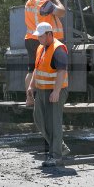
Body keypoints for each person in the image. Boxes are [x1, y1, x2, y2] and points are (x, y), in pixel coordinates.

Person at [26, 22, 70, 167]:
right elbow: (37, 69)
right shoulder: (40, 48)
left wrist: (56, 91)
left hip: (55, 90)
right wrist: (31, 85)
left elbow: (62, 72)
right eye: (38, 36)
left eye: (42, 36)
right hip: (42, 90)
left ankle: (56, 156)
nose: (39, 39)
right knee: (39, 119)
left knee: (54, 122)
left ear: (50, 34)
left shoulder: (58, 49)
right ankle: (60, 147)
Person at [24, 0, 66, 107]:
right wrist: (57, 0)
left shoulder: (29, 2)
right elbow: (62, 12)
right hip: (42, 39)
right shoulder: (43, 2)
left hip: (30, 38)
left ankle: (29, 99)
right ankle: (50, 98)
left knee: (31, 70)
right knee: (49, 70)